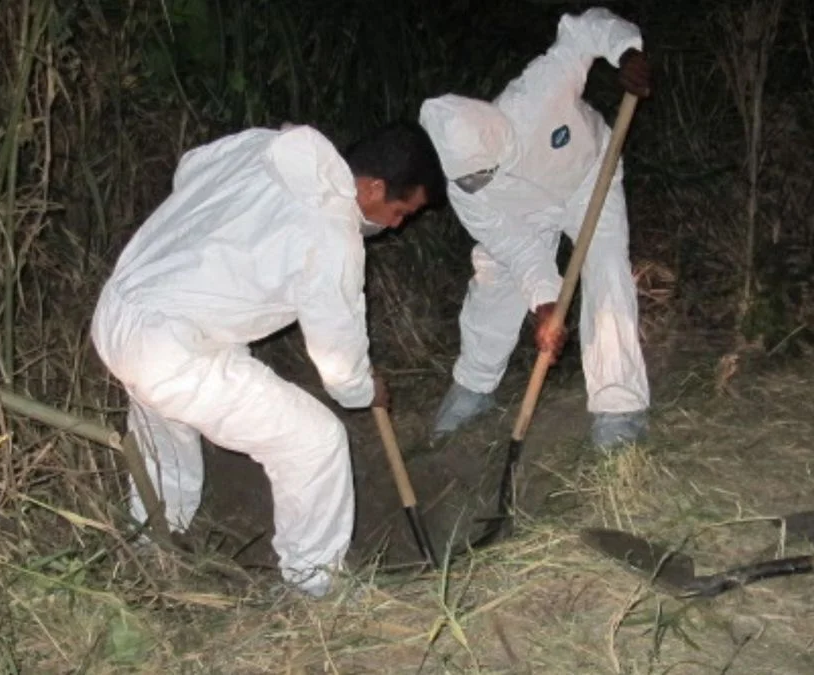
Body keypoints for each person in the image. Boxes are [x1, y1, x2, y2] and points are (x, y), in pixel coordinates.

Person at [90, 121, 446, 597]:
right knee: (314, 442)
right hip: (172, 347)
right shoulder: (331, 232)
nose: (398, 225)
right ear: (373, 187)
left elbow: (190, 169)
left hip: (118, 311)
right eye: (400, 212)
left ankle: (149, 544)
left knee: (165, 432)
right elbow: (340, 368)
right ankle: (314, 585)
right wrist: (366, 389)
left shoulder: (266, 145)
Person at [418, 7, 653, 451]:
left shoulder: (537, 95)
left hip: (589, 178)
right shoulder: (467, 191)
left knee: (606, 271)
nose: (475, 185)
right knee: (495, 278)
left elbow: (581, 31)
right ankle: (474, 386)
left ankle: (619, 408)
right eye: (465, 180)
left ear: (499, 143)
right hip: (525, 213)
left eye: (481, 174)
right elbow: (518, 249)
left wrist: (625, 52)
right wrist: (546, 304)